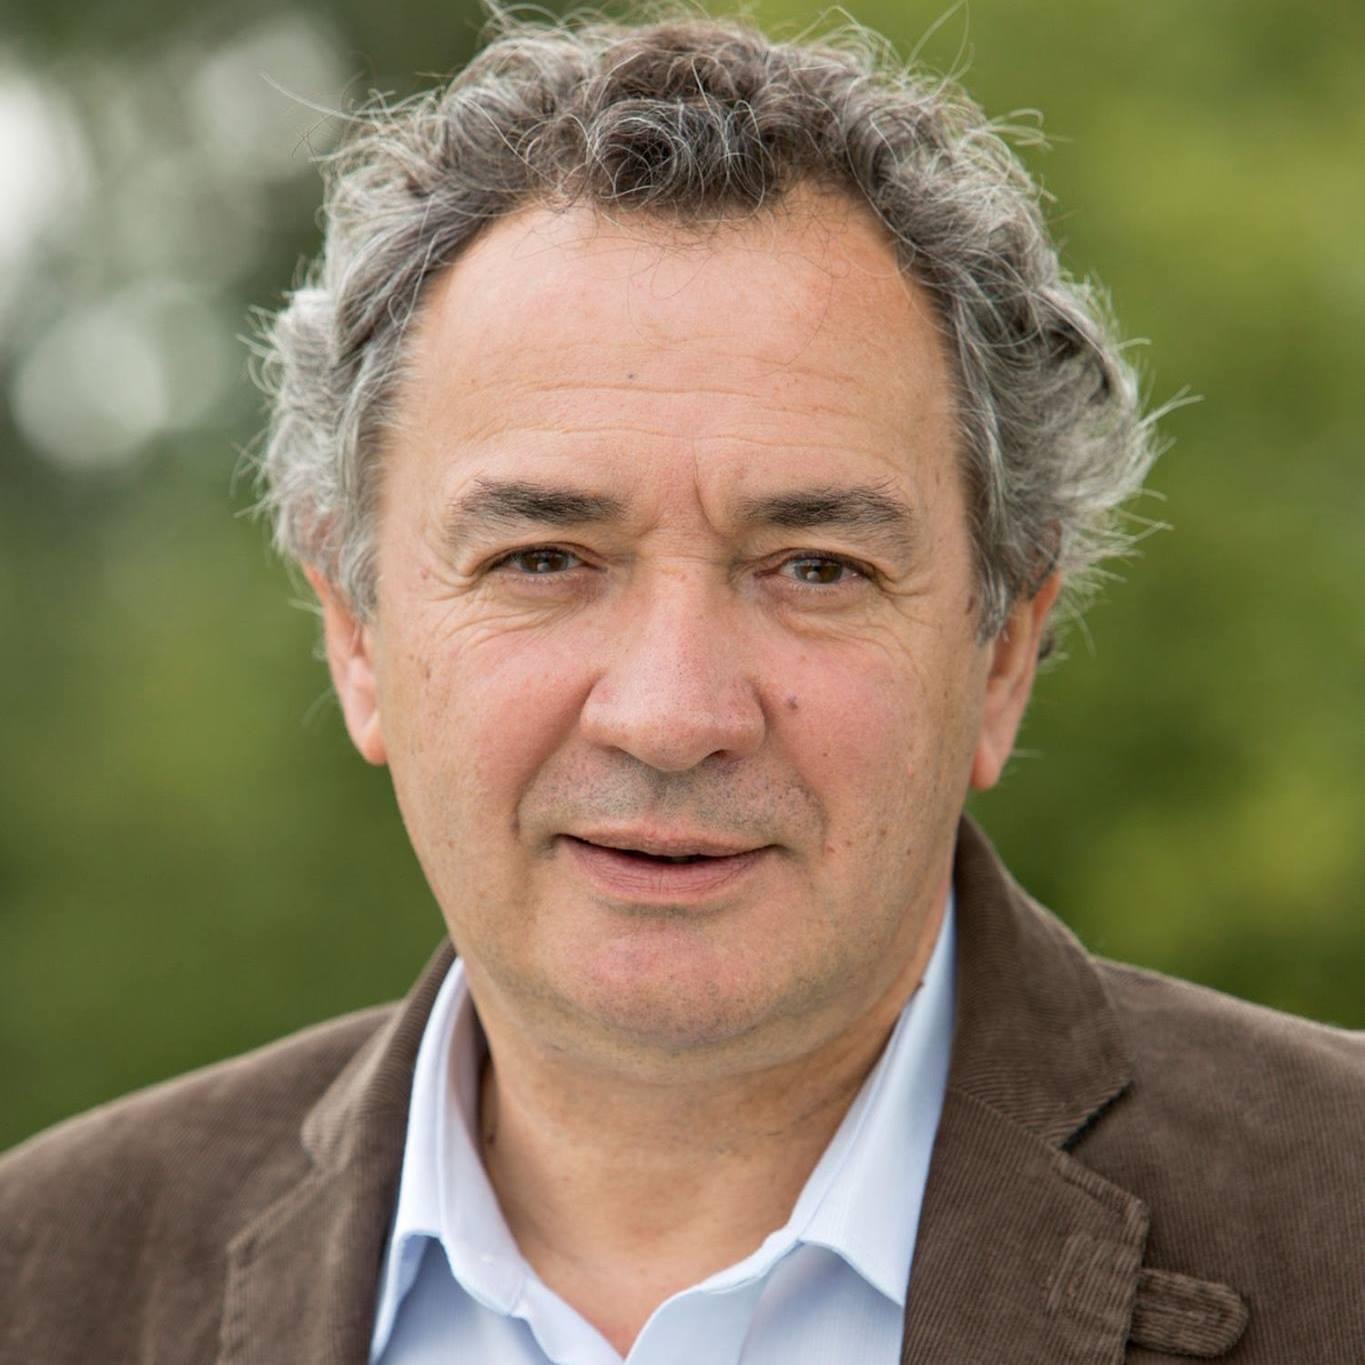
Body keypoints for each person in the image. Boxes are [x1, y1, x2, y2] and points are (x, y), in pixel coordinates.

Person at [1, 11, 1360, 1364]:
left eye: (813, 568)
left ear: (1000, 648)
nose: (670, 712)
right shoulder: (45, 1279)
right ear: (356, 633)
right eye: (544, 558)